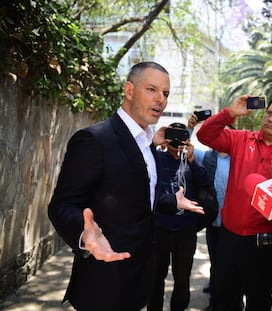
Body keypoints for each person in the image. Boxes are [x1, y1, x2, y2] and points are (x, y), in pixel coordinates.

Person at [48, 61, 204, 311]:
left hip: (139, 281)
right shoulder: (94, 140)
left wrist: (170, 200)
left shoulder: (148, 144)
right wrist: (84, 234)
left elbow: (139, 196)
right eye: (151, 89)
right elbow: (61, 205)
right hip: (104, 283)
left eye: (165, 93)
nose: (160, 100)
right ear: (129, 91)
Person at [197, 95, 272, 311]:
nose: (271, 119)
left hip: (264, 245)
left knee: (258, 302)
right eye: (269, 113)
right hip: (228, 239)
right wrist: (230, 113)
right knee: (222, 300)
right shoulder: (242, 139)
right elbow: (205, 135)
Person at [148, 122, 210, 311]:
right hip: (160, 229)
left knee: (182, 280)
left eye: (181, 139)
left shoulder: (192, 162)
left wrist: (191, 159)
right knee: (155, 279)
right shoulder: (156, 157)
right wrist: (153, 144)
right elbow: (137, 165)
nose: (177, 145)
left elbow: (205, 184)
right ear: (166, 142)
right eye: (172, 139)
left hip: (185, 231)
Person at [189, 113, 233, 311]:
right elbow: (184, 148)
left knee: (231, 267)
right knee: (216, 262)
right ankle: (215, 302)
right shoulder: (206, 155)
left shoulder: (239, 158)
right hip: (213, 222)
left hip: (233, 224)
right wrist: (190, 129)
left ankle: (234, 302)